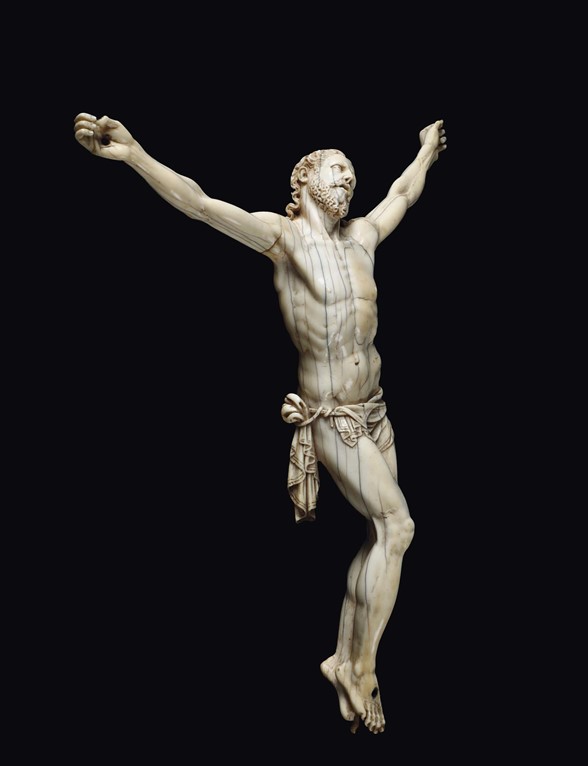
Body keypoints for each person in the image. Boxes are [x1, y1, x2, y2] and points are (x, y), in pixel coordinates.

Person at [74, 112, 447, 734]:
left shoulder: (363, 237)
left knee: (378, 537)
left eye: (353, 172)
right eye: (337, 169)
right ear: (304, 179)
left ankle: (344, 659)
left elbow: (403, 192)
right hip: (332, 415)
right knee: (398, 526)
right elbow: (199, 204)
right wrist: (135, 154)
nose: (349, 179)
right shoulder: (284, 237)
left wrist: (426, 152)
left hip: (375, 411)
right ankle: (362, 669)